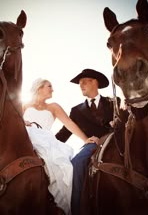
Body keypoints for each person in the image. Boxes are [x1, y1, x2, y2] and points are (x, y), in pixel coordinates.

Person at [22, 78, 98, 215]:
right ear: (39, 88)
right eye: (49, 86)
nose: (52, 89)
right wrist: (21, 122)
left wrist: (86, 139)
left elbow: (69, 123)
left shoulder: (54, 107)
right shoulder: (24, 105)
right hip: (24, 136)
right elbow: (11, 119)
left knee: (65, 168)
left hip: (45, 140)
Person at [55, 69, 117, 215]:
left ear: (95, 82)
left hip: (116, 143)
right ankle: (77, 210)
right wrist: (43, 139)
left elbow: (126, 124)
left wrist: (119, 123)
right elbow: (63, 134)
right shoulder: (76, 111)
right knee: (76, 162)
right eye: (79, 83)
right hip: (92, 145)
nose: (80, 85)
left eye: (84, 81)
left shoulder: (114, 102)